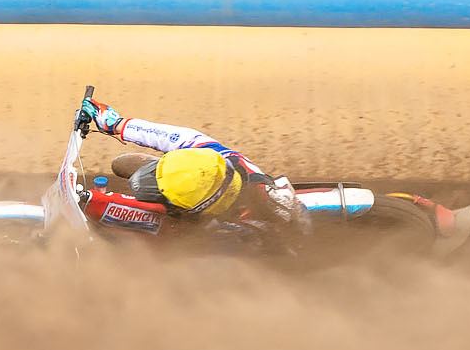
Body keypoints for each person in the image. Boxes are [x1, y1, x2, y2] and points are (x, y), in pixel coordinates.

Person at [78, 95, 303, 242]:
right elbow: (176, 137)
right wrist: (117, 124)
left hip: (212, 236)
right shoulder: (219, 156)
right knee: (123, 164)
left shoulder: (253, 218)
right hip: (204, 209)